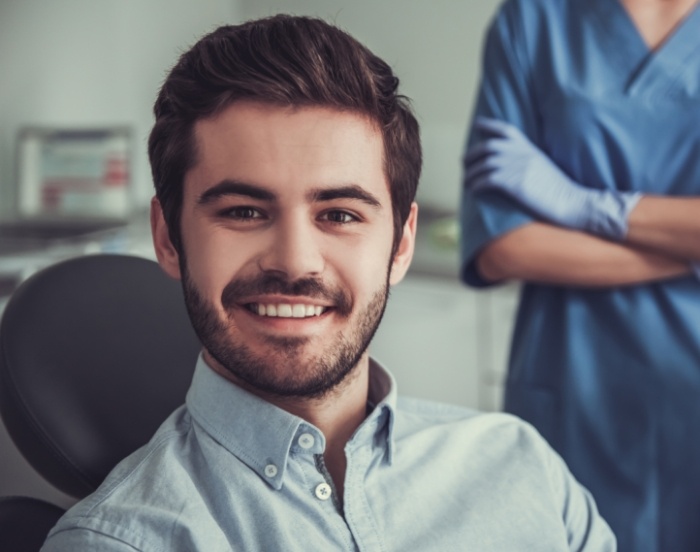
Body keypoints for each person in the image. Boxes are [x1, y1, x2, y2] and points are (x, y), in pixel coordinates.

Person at [42, 15, 614, 551]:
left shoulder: (522, 465)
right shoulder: (121, 541)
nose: (296, 263)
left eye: (340, 214)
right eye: (243, 211)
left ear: (402, 243)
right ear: (168, 238)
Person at [460, 0, 700, 550]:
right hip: (575, 381)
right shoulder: (534, 22)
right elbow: (504, 245)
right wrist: (687, 243)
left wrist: (589, 206)